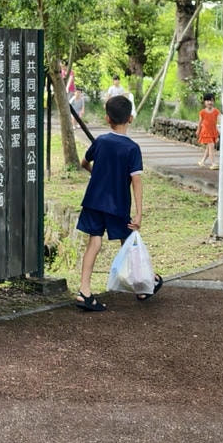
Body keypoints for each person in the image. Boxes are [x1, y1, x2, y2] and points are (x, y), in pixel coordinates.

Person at [74, 93, 161, 311]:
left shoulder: (101, 141)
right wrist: (139, 213)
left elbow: (84, 162)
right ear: (130, 118)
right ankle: (143, 285)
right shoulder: (132, 148)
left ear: (107, 119)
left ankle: (84, 291)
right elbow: (136, 181)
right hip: (118, 204)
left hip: (94, 200)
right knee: (128, 242)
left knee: (94, 243)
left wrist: (97, 175)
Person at [197, 92, 219, 167]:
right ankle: (213, 163)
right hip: (206, 132)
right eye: (208, 101)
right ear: (204, 102)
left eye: (211, 101)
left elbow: (218, 122)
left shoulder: (216, 111)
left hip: (213, 131)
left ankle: (202, 161)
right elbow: (200, 123)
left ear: (214, 102)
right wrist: (198, 130)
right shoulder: (202, 112)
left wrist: (218, 132)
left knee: (208, 148)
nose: (210, 102)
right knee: (211, 146)